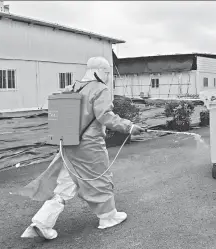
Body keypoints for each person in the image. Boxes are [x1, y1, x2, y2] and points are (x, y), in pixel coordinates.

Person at [19, 57, 145, 240]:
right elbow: (105, 116)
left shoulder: (72, 88)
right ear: (100, 71)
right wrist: (129, 127)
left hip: (69, 145)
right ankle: (108, 217)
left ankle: (41, 223)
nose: (108, 77)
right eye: (108, 73)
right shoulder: (100, 89)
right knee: (100, 179)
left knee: (65, 183)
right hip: (90, 147)